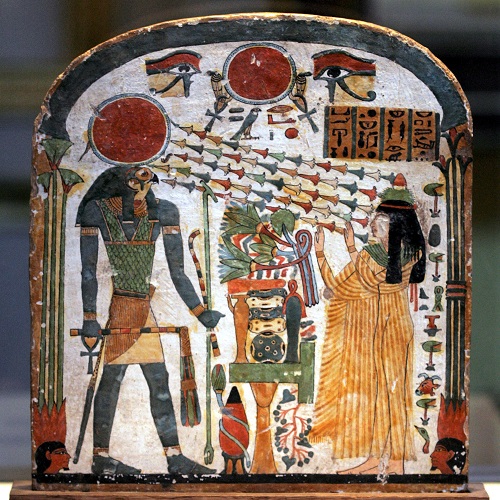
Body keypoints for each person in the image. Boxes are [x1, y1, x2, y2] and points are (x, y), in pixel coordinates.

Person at [78, 165, 223, 475]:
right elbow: (88, 270)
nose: (143, 188)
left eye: (147, 182)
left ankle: (174, 457)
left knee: (158, 381)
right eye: (135, 181)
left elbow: (177, 271)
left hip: (143, 309)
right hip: (121, 309)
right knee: (112, 382)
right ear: (121, 182)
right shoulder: (97, 211)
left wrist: (200, 312)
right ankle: (102, 457)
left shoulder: (163, 212)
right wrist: (90, 317)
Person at [309, 173, 425, 474]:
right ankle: (376, 458)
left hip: (394, 327)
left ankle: (396, 462)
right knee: (376, 393)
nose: (373, 226)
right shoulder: (375, 254)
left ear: (395, 226)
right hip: (378, 325)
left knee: (394, 393)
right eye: (375, 221)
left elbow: (374, 283)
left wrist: (350, 249)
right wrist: (321, 254)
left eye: (380, 222)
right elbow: (341, 286)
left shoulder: (408, 254)